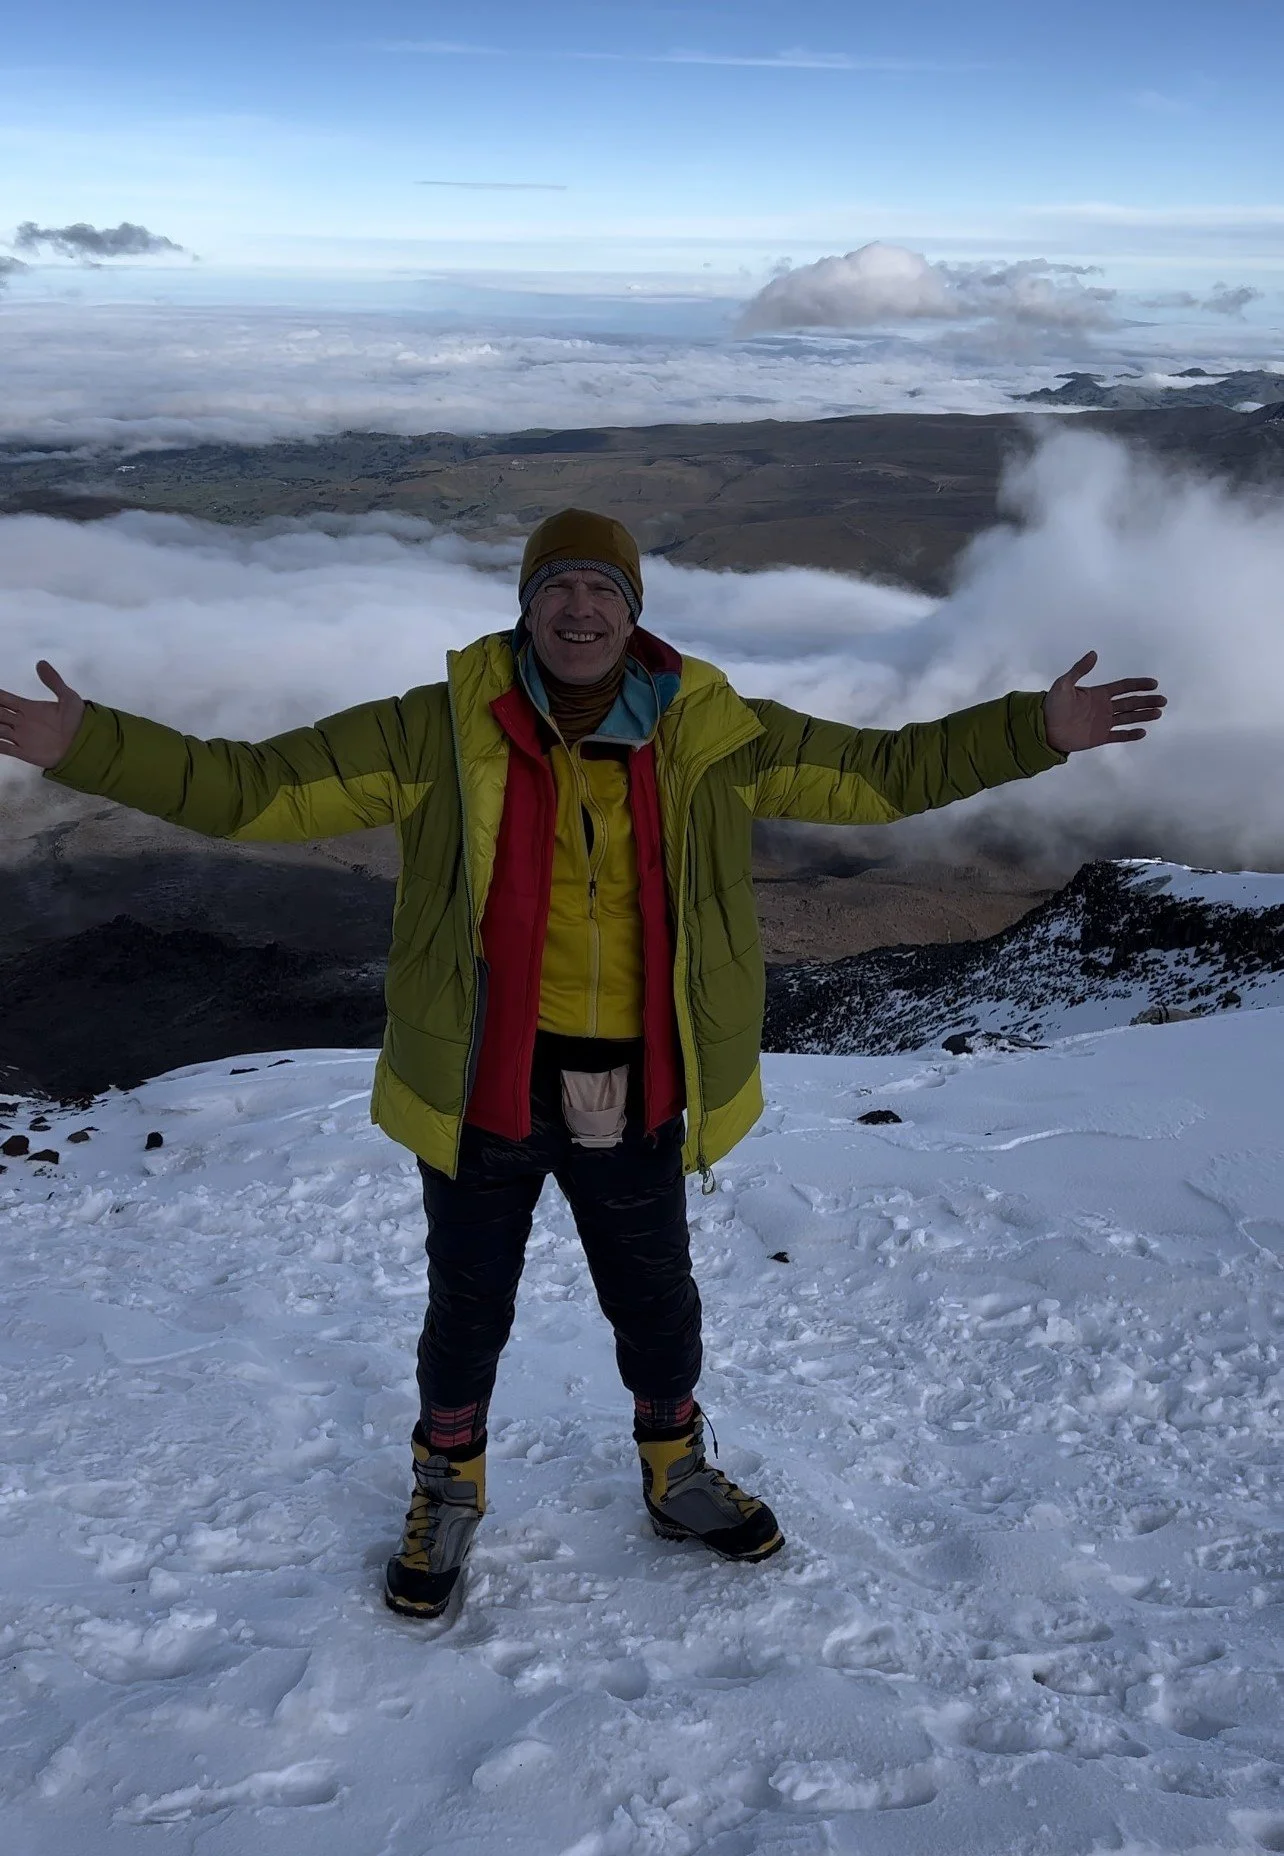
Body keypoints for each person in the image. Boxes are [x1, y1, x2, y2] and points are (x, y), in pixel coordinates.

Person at [0, 508, 1166, 1618]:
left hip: (641, 1083)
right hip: (485, 1084)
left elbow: (881, 772)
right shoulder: (437, 727)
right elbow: (255, 789)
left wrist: (1033, 730)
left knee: (657, 1301)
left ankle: (676, 1472)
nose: (577, 604)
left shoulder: (712, 729)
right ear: (524, 608)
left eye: (599, 586)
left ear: (632, 611)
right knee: (467, 1309)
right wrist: (90, 747)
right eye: (555, 583)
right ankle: (447, 1492)